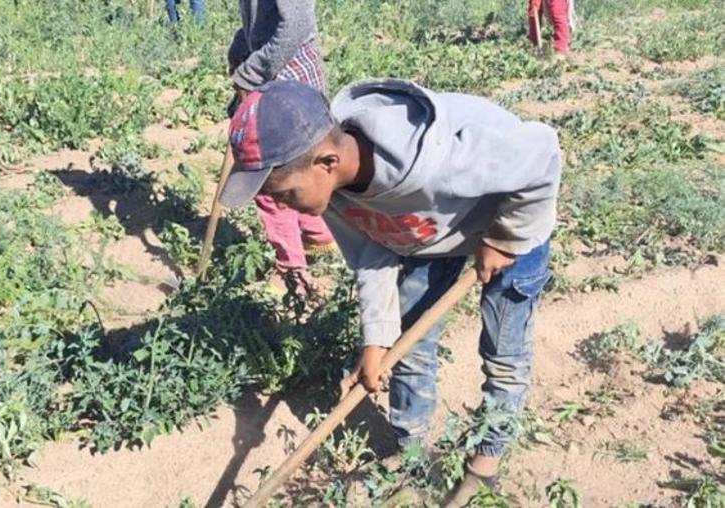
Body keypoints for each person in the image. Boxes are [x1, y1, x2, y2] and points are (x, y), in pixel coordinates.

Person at [220, 79, 560, 506]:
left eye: (285, 194)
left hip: (508, 228)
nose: (284, 206)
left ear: (326, 162)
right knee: (407, 349)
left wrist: (505, 237)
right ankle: (411, 450)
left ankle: (485, 463)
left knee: (504, 355)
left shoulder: (440, 156)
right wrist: (376, 338)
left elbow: (542, 153)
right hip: (425, 238)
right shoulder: (336, 194)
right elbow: (371, 252)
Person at [227, 0, 334, 294]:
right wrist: (239, 46)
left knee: (271, 177)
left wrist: (252, 71)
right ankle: (319, 235)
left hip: (286, 71)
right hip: (274, 65)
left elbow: (295, 27)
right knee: (296, 171)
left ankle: (292, 271)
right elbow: (260, 22)